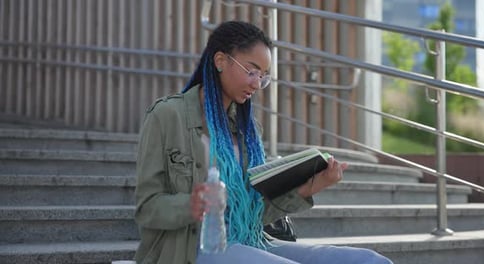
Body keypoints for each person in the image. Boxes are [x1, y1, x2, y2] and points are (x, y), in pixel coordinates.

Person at [134, 20, 393, 264]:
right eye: (251, 71)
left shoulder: (247, 130)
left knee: (368, 261)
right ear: (221, 61)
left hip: (251, 240)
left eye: (263, 76)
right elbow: (147, 208)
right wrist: (192, 205)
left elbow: (256, 214)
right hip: (191, 248)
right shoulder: (167, 115)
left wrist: (312, 186)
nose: (257, 84)